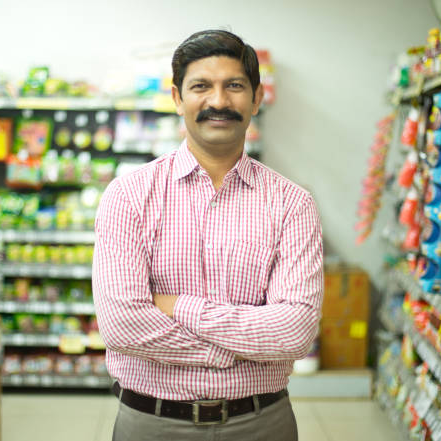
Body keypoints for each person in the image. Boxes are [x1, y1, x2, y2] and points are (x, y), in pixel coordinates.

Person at [92, 29, 324, 441]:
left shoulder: (293, 204)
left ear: (256, 98)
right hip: (151, 422)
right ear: (178, 98)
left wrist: (180, 307)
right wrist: (240, 350)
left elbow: (294, 332)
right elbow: (122, 325)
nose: (218, 101)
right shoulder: (128, 196)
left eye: (234, 86)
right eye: (201, 86)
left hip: (262, 424)